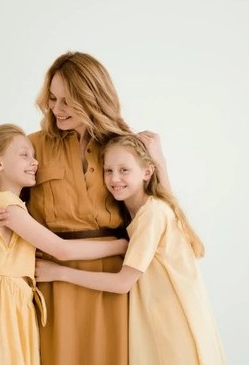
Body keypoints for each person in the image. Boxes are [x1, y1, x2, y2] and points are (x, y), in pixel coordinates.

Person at [0, 52, 170, 365]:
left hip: (111, 276)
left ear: (92, 98)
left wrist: (160, 163)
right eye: (53, 98)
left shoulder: (121, 147)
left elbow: (157, 209)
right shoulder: (33, 146)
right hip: (51, 278)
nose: (57, 109)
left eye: (67, 101)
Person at [35, 135, 227, 365]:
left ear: (147, 172)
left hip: (173, 325)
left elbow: (122, 283)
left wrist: (59, 273)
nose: (114, 178)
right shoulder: (139, 213)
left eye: (124, 170)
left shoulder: (153, 214)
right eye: (108, 170)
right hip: (159, 321)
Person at [0, 123, 128, 365]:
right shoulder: (8, 207)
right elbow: (62, 249)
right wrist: (120, 246)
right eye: (24, 155)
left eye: (33, 155)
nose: (35, 162)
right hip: (5, 302)